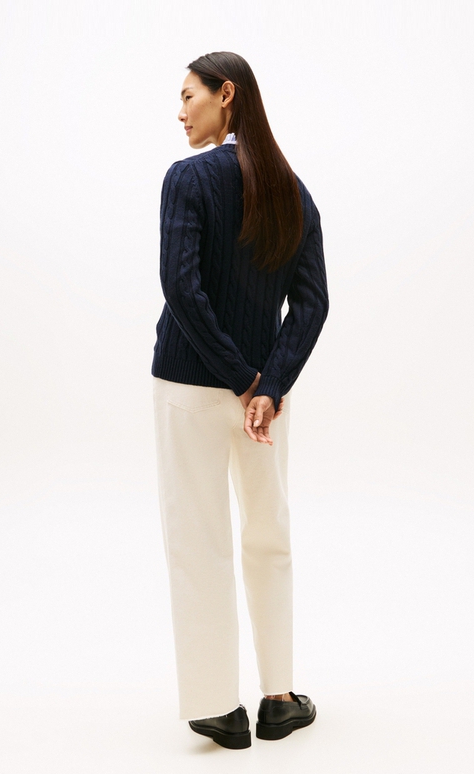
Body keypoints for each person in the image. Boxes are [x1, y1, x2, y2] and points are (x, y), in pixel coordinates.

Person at [151, 51, 329, 749]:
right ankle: (279, 698)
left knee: (198, 540)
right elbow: (311, 304)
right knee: (269, 535)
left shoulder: (187, 179)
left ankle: (216, 707)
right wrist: (268, 384)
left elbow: (181, 287)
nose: (180, 111)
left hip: (191, 387)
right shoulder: (293, 189)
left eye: (189, 95)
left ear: (227, 94)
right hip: (263, 403)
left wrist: (242, 379)